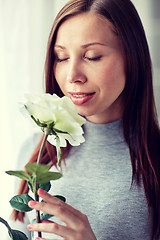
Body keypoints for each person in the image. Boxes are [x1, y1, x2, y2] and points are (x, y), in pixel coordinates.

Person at [10, 0, 160, 239]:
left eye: (92, 56)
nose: (72, 76)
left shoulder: (153, 162)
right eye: (61, 57)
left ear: (133, 57)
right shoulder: (36, 152)